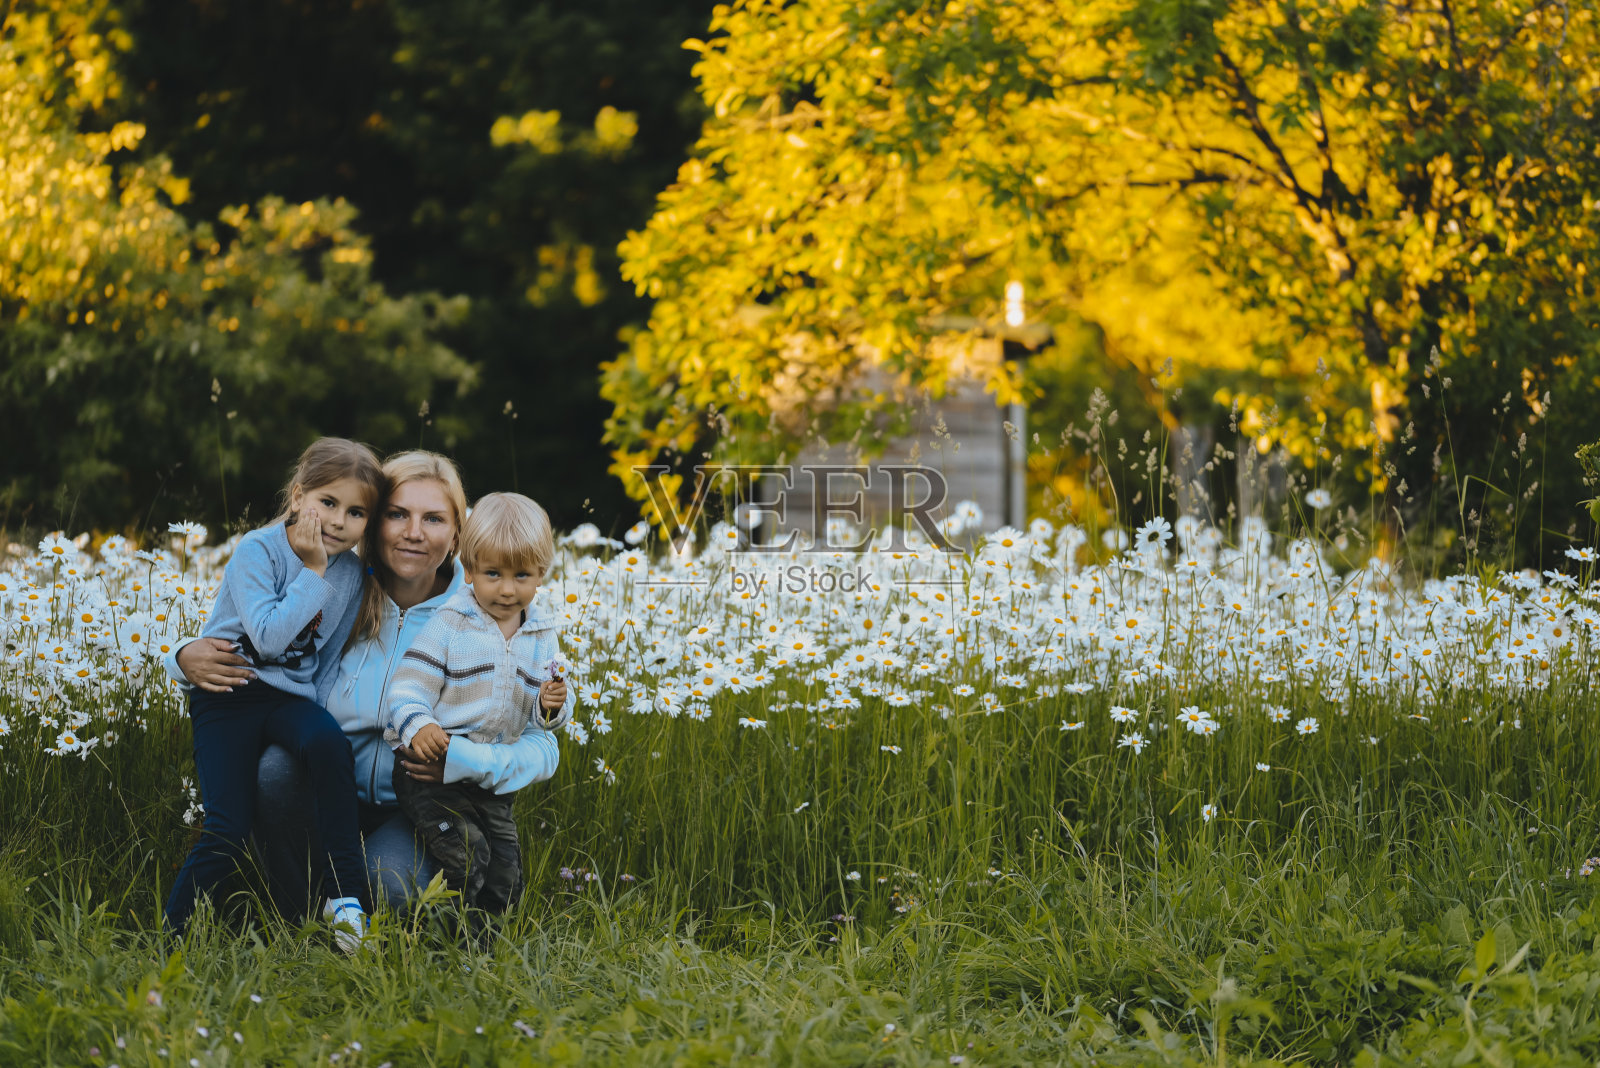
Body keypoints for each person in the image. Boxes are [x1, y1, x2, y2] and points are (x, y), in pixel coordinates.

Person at [166, 451, 564, 921]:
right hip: (324, 789)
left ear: (458, 534)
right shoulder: (339, 591)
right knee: (274, 771)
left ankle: (347, 905)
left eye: (433, 518)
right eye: (397, 514)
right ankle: (299, 916)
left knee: (389, 883)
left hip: (414, 807)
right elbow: (264, 640)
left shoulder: (486, 613)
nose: (413, 532)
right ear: (374, 522)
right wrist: (183, 656)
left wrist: (463, 761)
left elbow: (543, 744)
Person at [163, 437, 384, 951]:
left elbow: (324, 663)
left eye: (355, 513)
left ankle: (346, 898)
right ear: (298, 495)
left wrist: (316, 719)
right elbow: (266, 637)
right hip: (229, 693)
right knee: (228, 827)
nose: (337, 521)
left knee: (329, 744)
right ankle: (171, 936)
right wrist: (311, 572)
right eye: (327, 503)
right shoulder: (258, 550)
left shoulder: (352, 574)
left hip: (290, 700)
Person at [385, 492, 572, 915]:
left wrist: (552, 704)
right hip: (430, 772)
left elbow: (545, 722)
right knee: (466, 856)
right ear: (469, 571)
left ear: (541, 574)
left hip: (490, 779)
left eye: (521, 575)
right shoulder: (452, 623)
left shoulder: (542, 634)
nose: (507, 590)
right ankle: (438, 941)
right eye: (493, 573)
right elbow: (406, 687)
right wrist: (420, 726)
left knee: (506, 869)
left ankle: (481, 952)